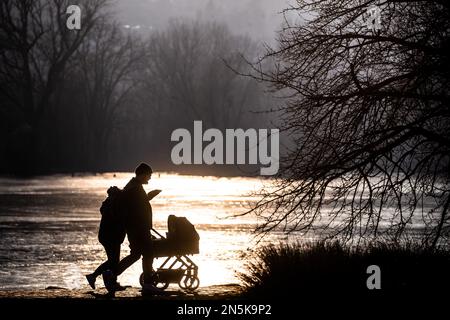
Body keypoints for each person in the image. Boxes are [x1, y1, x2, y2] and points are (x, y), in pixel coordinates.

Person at [115, 162, 163, 294]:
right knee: (148, 253)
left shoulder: (133, 186)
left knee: (136, 254)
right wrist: (148, 198)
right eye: (149, 175)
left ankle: (112, 273)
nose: (150, 178)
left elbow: (137, 205)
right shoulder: (135, 188)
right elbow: (137, 210)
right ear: (142, 175)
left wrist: (148, 197)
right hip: (139, 228)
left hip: (135, 228)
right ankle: (147, 283)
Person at [85, 186, 126, 293]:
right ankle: (93, 276)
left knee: (113, 261)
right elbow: (118, 221)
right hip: (111, 237)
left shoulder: (108, 204)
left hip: (108, 236)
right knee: (113, 261)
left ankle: (111, 282)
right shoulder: (112, 206)